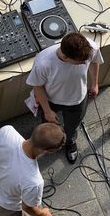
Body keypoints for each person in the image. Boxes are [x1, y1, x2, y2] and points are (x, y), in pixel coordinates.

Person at [26, 32, 104, 164]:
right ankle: (48, 142)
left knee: (72, 126)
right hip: (51, 101)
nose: (84, 62)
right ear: (66, 56)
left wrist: (95, 83)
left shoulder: (89, 48)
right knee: (49, 126)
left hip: (78, 98)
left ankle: (70, 141)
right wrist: (47, 111)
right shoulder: (43, 63)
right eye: (80, 62)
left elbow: (95, 61)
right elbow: (37, 87)